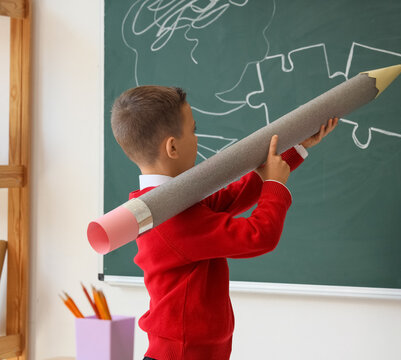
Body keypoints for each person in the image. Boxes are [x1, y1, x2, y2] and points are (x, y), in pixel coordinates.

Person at [110, 85, 338, 360]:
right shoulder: (169, 218)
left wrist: (297, 147)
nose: (196, 138)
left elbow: (233, 196)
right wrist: (275, 184)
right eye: (193, 130)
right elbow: (259, 235)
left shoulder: (171, 200)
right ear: (172, 146)